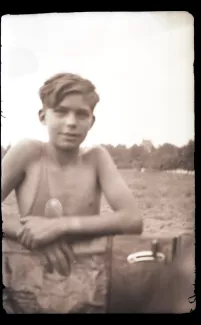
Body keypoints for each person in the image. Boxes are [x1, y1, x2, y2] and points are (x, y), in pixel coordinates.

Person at [2, 72, 143, 313]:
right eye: (61, 111)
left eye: (81, 114)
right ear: (43, 116)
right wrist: (31, 235)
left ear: (92, 120)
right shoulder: (28, 152)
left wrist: (59, 226)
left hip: (84, 282)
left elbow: (132, 219)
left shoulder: (96, 158)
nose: (71, 122)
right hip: (28, 283)